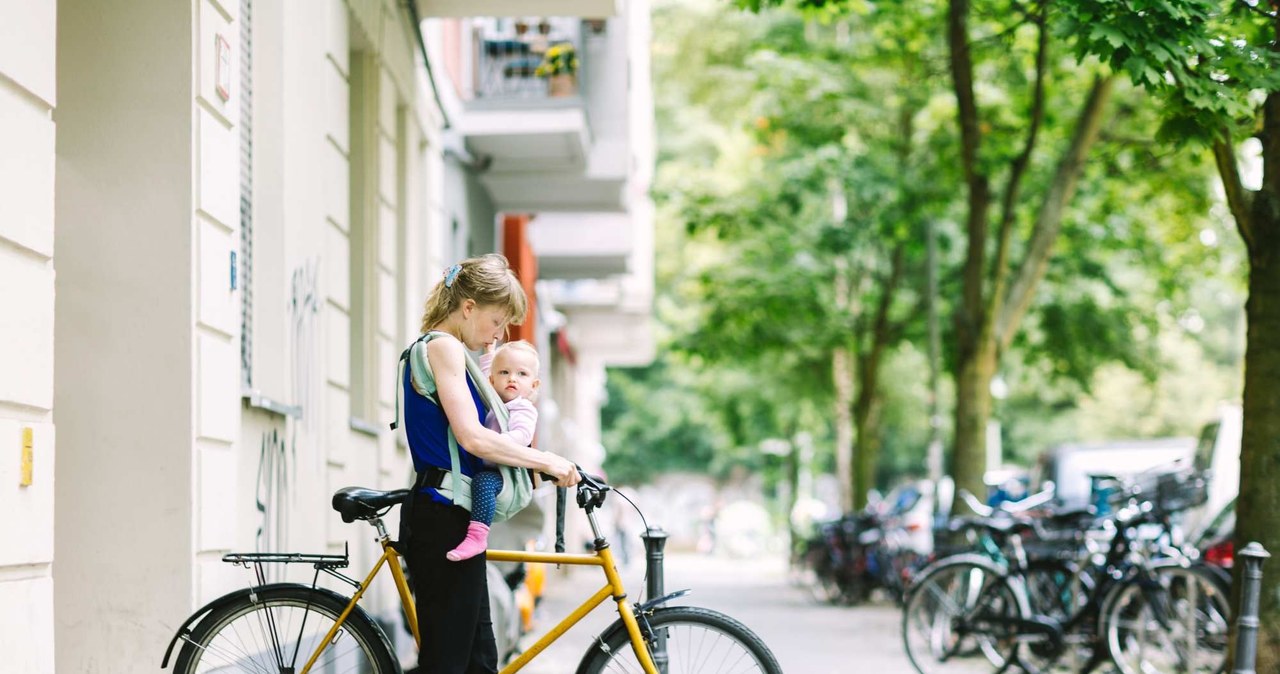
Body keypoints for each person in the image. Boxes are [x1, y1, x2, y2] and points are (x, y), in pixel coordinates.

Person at [402, 254, 578, 673]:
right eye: (497, 321)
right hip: (441, 516)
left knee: (480, 661)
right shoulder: (442, 346)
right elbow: (473, 437)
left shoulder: (451, 351)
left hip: (451, 515)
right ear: (468, 308)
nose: (498, 334)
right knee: (449, 662)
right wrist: (547, 459)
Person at [446, 340, 542, 562]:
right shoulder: (497, 401)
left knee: (483, 483)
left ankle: (478, 536)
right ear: (493, 379)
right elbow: (484, 382)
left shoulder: (522, 407)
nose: (512, 378)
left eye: (522, 374)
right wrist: (489, 353)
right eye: (505, 372)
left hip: (505, 474)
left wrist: (494, 442)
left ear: (534, 385)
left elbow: (523, 435)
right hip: (488, 461)